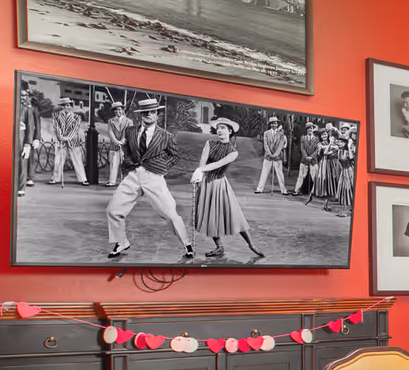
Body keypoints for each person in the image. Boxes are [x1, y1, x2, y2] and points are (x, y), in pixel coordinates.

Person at [105, 96, 196, 262]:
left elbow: (174, 156)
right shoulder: (130, 131)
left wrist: (161, 168)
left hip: (154, 177)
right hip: (133, 175)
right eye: (145, 112)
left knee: (170, 213)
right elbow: (127, 150)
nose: (148, 115)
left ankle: (187, 245)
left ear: (157, 115)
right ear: (141, 114)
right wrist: (128, 166)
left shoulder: (166, 136)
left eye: (152, 112)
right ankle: (121, 242)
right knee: (113, 210)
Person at [191, 117, 265, 261]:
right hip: (206, 183)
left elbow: (218, 164)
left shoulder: (233, 152)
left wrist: (200, 170)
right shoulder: (209, 143)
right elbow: (203, 161)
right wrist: (199, 174)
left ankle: (251, 245)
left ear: (230, 131)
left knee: (235, 215)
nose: (219, 131)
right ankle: (219, 246)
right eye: (218, 128)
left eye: (223, 128)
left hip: (220, 185)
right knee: (208, 216)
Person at [51, 100, 89, 185]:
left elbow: (75, 129)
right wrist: (61, 137)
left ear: (70, 106)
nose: (66, 107)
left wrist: (68, 137)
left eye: (68, 105)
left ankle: (83, 179)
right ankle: (55, 178)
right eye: (64, 106)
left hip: (73, 140)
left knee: (78, 160)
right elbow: (56, 128)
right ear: (61, 106)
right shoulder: (56, 115)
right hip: (61, 141)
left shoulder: (76, 117)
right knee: (58, 160)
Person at [254, 118, 288, 194]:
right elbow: (265, 144)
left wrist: (276, 154)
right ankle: (259, 188)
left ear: (277, 124)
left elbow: (281, 144)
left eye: (275, 123)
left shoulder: (281, 133)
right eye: (272, 123)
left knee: (280, 173)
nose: (274, 125)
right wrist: (269, 154)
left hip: (277, 156)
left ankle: (284, 190)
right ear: (270, 124)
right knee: (264, 172)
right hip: (268, 156)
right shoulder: (266, 133)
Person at [293, 122, 320, 197]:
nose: (310, 129)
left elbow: (317, 150)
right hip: (304, 160)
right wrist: (306, 157)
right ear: (306, 130)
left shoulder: (316, 138)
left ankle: (317, 192)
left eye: (311, 128)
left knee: (315, 176)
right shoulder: (303, 138)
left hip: (313, 160)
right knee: (301, 176)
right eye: (308, 128)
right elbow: (302, 149)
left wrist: (312, 157)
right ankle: (296, 190)